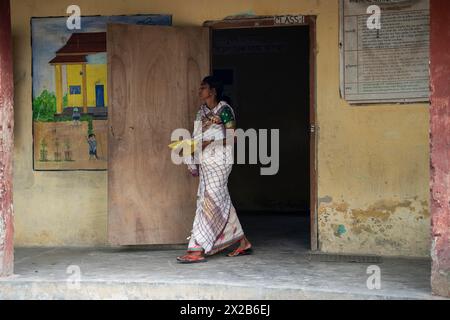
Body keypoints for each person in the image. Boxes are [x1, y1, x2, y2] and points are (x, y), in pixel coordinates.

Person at [176, 76, 252, 264]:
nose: (199, 90)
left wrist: (211, 141)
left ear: (213, 91)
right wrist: (189, 151)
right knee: (217, 199)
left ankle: (196, 248)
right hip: (206, 160)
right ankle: (242, 241)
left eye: (203, 87)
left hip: (220, 161)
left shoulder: (225, 111)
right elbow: (196, 137)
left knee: (208, 201)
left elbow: (234, 137)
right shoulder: (200, 113)